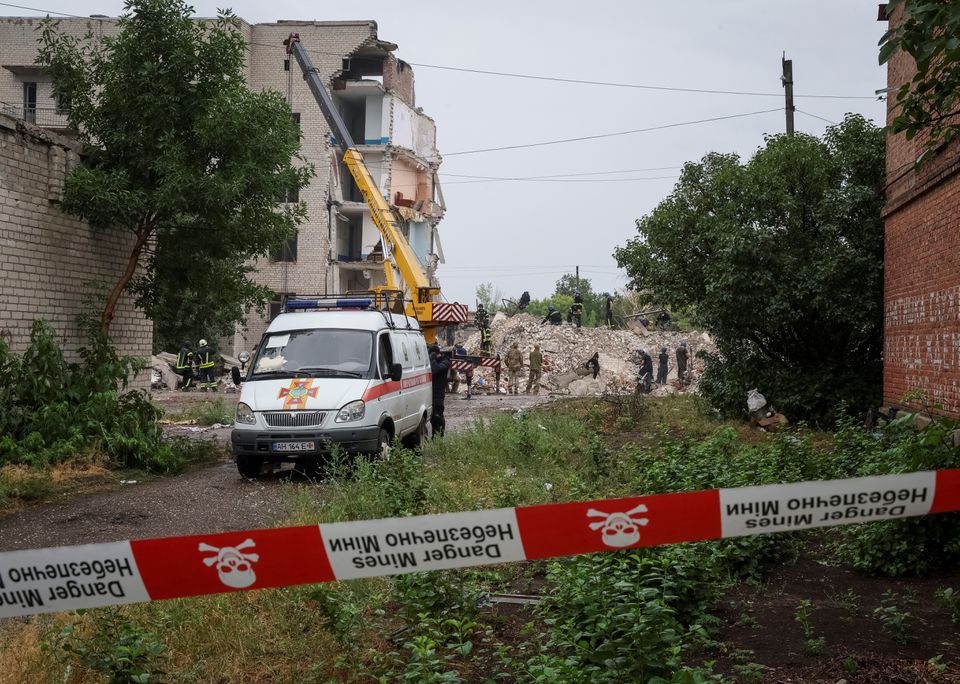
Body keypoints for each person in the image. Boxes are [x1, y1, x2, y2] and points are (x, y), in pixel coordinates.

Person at [428, 344, 449, 437]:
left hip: (438, 395)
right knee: (433, 418)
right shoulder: (435, 362)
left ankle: (439, 438)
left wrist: (432, 359)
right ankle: (434, 437)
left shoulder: (445, 361)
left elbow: (435, 370)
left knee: (438, 416)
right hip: (430, 394)